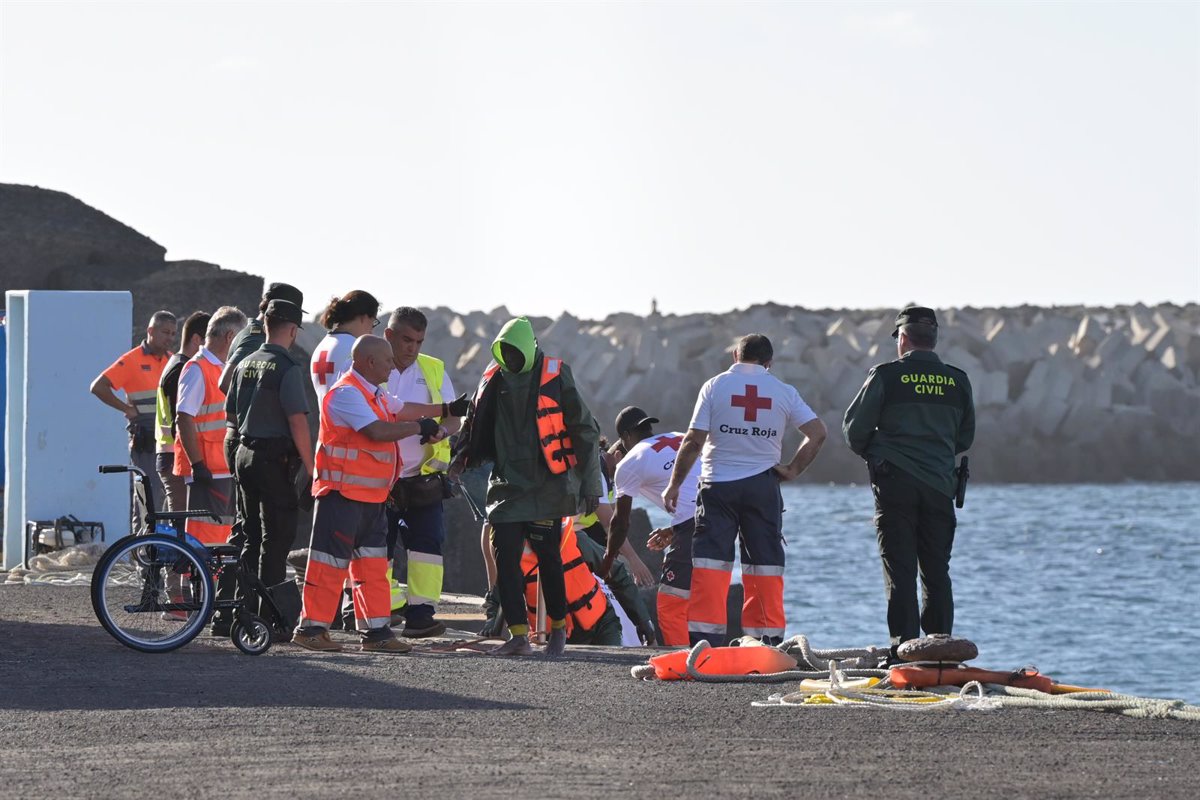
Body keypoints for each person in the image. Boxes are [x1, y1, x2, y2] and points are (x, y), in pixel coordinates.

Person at [451, 316, 603, 657]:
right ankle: (518, 635)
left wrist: (590, 484)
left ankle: (559, 630)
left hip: (547, 486)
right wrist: (458, 460)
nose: (511, 360)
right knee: (505, 560)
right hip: (505, 487)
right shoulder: (494, 375)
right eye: (504, 354)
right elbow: (472, 423)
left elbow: (585, 429)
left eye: (515, 354)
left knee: (549, 558)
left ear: (529, 349)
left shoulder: (555, 374)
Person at [664, 334, 827, 646]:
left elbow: (693, 440)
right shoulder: (783, 391)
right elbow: (818, 433)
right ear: (769, 363)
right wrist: (792, 469)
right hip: (762, 487)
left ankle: (705, 644)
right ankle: (765, 643)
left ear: (735, 357)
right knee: (764, 565)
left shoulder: (715, 386)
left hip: (717, 487)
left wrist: (674, 484)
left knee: (711, 566)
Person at [293, 335, 442, 654]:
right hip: (342, 497)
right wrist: (419, 428)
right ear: (369, 362)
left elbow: (402, 412)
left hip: (372, 498)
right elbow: (376, 431)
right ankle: (311, 629)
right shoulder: (346, 393)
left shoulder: (375, 394)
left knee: (373, 570)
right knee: (328, 565)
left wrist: (442, 411)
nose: (394, 364)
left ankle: (377, 633)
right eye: (388, 360)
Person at [842, 306, 975, 658]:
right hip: (939, 487)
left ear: (902, 338)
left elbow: (854, 431)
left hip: (894, 484)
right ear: (934, 339)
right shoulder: (957, 380)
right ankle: (940, 648)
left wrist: (880, 451)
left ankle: (903, 649)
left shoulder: (886, 376)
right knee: (936, 570)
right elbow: (965, 438)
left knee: (900, 569)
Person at [381, 307, 471, 637]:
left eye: (419, 341)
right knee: (379, 549)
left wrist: (442, 433)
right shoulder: (374, 366)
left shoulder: (433, 369)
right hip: (381, 478)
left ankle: (421, 614)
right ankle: (380, 609)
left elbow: (453, 417)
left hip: (422, 478)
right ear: (388, 335)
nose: (413, 348)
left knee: (428, 547)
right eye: (406, 340)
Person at [224, 300, 314, 619]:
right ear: (292, 330)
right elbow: (298, 422)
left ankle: (241, 610)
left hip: (244, 455)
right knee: (275, 541)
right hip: (274, 461)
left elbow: (231, 416)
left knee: (249, 536)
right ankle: (270, 619)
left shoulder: (245, 362)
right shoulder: (287, 367)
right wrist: (312, 468)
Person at [609, 406, 702, 646]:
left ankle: (682, 663)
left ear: (626, 437)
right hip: (725, 516)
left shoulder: (631, 461)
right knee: (707, 596)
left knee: (671, 602)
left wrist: (607, 562)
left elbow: (620, 521)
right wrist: (674, 530)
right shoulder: (680, 436)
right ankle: (714, 659)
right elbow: (695, 489)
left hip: (694, 526)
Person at [90, 310, 177, 528]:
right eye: (165, 332)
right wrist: (127, 409)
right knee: (148, 499)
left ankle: (160, 552)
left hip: (169, 441)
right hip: (146, 440)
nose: (169, 337)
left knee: (167, 501)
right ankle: (144, 557)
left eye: (173, 333)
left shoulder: (171, 360)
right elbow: (98, 387)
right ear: (150, 331)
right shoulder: (132, 360)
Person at [174, 306, 247, 548]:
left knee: (218, 535)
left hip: (219, 468)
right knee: (203, 535)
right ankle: (199, 584)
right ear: (230, 337)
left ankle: (209, 583)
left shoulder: (217, 369)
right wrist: (197, 465)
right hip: (207, 469)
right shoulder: (198, 369)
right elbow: (183, 418)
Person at [153, 311, 210, 513]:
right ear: (197, 339)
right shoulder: (182, 369)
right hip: (174, 457)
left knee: (173, 517)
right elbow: (182, 419)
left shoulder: (176, 364)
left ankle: (154, 544)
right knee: (179, 521)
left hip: (170, 454)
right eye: (210, 340)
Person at [310, 290, 380, 403]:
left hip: (325, 419)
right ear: (364, 317)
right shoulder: (357, 350)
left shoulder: (320, 347)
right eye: (373, 322)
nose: (372, 330)